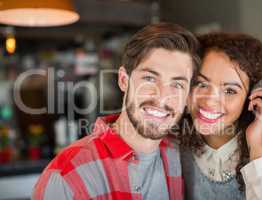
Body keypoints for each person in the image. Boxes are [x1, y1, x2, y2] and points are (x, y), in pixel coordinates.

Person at [32, 22, 200, 200]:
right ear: (123, 80)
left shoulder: (182, 157)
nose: (162, 97)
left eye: (177, 84)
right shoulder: (67, 177)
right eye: (149, 78)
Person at [180, 32, 262, 200]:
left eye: (229, 91)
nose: (209, 101)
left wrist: (257, 146)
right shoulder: (177, 140)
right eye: (201, 83)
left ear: (254, 97)